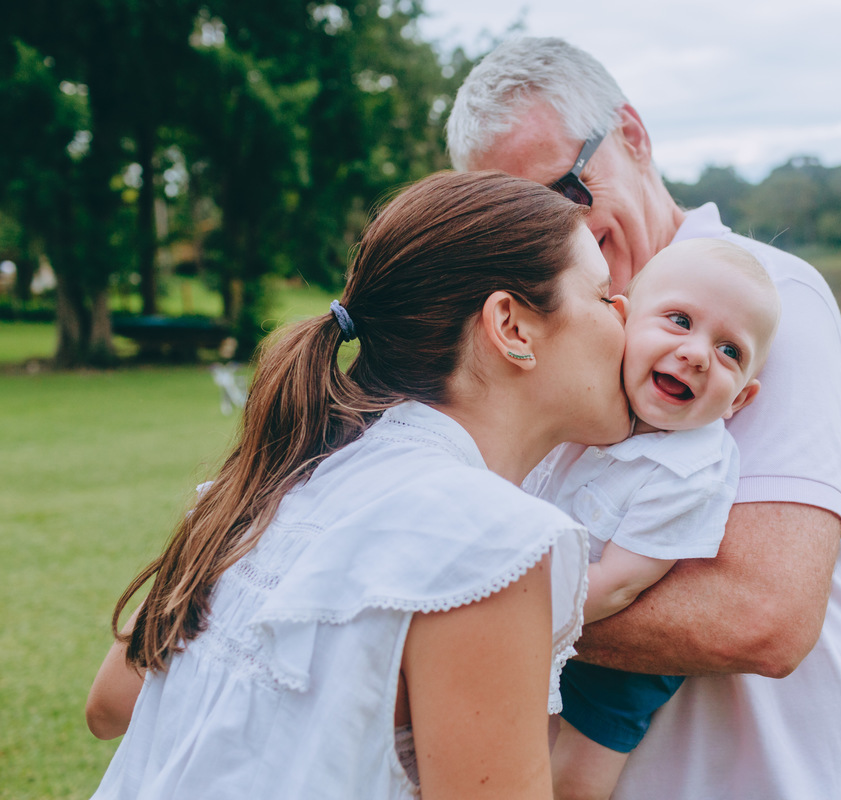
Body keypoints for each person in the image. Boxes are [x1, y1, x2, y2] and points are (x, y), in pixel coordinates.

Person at [83, 171, 632, 800]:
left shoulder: (282, 475)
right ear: (512, 326)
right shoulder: (491, 543)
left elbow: (111, 702)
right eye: (605, 295)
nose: (628, 318)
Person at [447, 37, 841, 799]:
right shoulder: (547, 325)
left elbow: (762, 616)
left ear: (633, 135)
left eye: (566, 190)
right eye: (516, 217)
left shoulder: (765, 303)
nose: (557, 234)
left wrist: (449, 612)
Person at [527, 238, 781, 800]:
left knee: (575, 773)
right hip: (553, 587)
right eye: (679, 320)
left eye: (730, 352)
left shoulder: (693, 470)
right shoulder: (587, 393)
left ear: (740, 400)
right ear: (621, 321)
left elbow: (618, 585)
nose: (696, 354)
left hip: (620, 647)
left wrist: (513, 617)